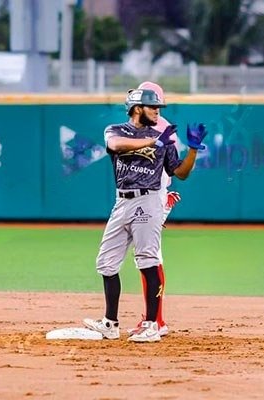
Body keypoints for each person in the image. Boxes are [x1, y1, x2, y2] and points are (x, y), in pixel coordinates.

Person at [83, 87, 208, 342]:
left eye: (158, 107)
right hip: (121, 201)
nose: (157, 111)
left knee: (147, 259)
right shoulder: (116, 130)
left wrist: (193, 150)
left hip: (148, 200)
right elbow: (115, 145)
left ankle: (152, 324)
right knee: (106, 262)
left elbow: (179, 173)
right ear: (138, 108)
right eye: (153, 107)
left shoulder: (163, 138)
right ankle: (110, 323)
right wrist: (154, 142)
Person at [128, 81, 181, 337]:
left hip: (151, 196)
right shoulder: (158, 125)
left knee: (150, 258)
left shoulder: (158, 127)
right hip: (154, 195)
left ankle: (157, 321)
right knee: (147, 258)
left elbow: (164, 167)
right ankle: (154, 319)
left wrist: (162, 201)